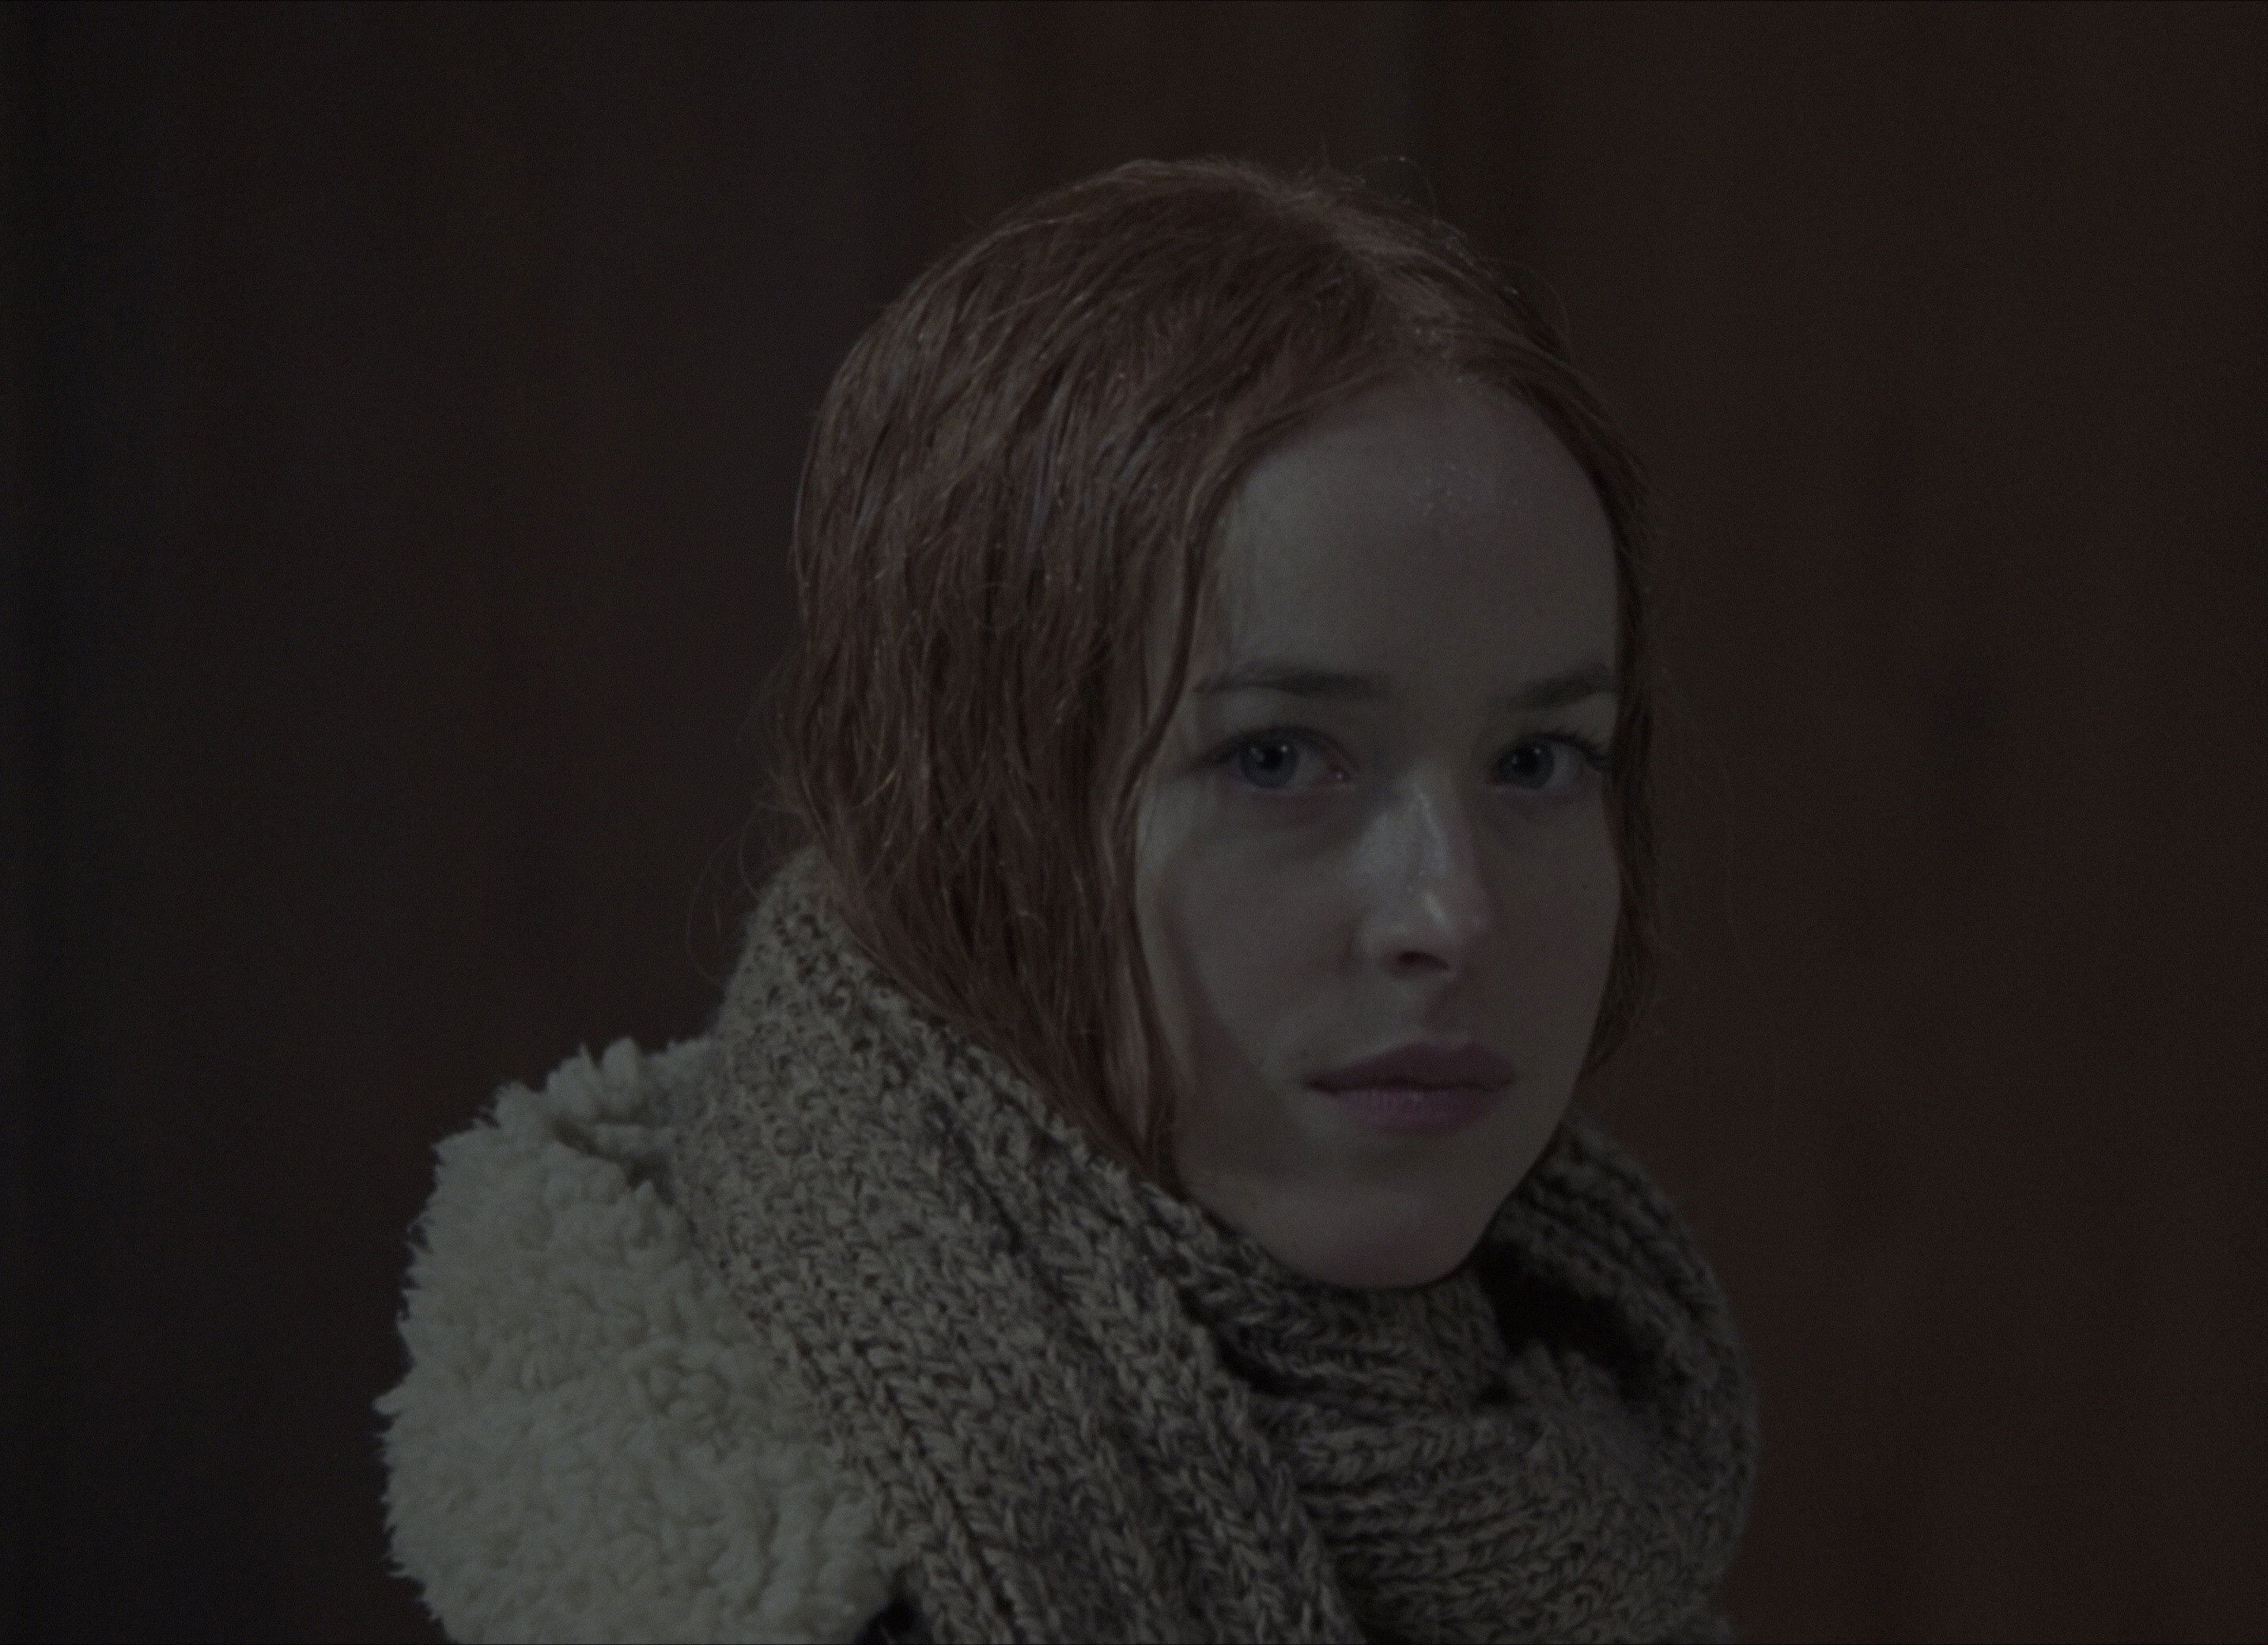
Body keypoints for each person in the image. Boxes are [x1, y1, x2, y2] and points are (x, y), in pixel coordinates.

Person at [376, 157, 1760, 1644]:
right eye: (1276, 757)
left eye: (1538, 760)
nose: (1451, 911)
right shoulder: (720, 1561)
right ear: (971, 813)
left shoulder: (1591, 1445)